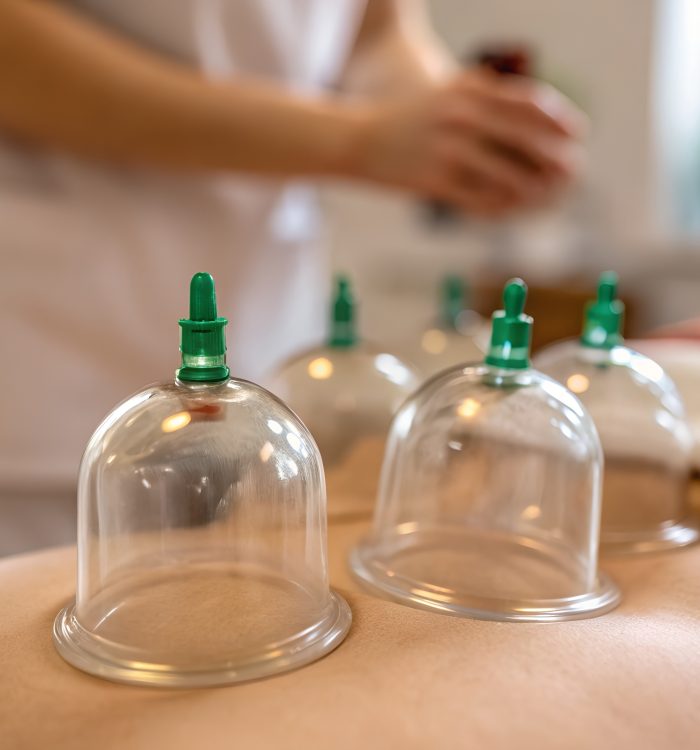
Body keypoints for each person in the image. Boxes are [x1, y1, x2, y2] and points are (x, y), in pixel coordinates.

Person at [0, 0, 585, 554]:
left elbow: (375, 28)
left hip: (267, 350)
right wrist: (356, 138)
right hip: (49, 356)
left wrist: (462, 135)